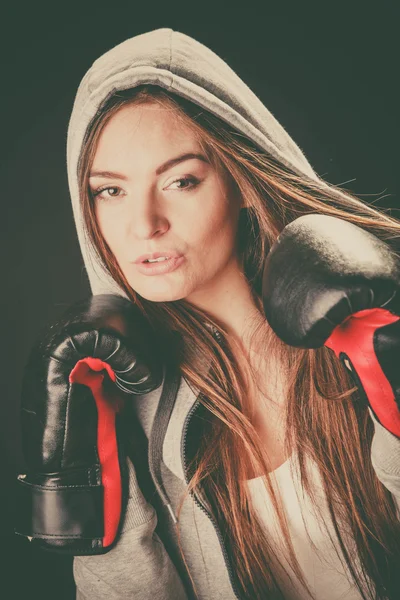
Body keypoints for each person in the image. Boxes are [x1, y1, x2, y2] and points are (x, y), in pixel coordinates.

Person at [16, 28, 400, 600]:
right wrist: (83, 497)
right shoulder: (109, 396)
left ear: (239, 181)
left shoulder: (362, 321)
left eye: (181, 181)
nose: (146, 223)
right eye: (110, 191)